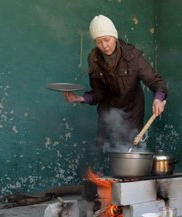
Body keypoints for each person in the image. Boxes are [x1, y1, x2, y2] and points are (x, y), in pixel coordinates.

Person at [64, 15, 168, 150]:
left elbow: (156, 82)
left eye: (107, 40)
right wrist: (80, 98)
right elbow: (99, 92)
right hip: (108, 116)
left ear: (114, 36)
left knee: (129, 156)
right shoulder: (94, 58)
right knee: (106, 156)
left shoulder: (132, 56)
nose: (104, 45)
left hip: (131, 114)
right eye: (98, 42)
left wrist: (158, 99)